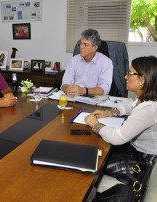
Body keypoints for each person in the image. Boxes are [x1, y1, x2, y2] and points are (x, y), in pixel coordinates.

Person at [85, 56, 157, 199]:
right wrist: (109, 112)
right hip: (135, 151)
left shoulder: (149, 108)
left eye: (130, 74)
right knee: (96, 153)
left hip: (143, 161)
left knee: (94, 160)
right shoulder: (146, 98)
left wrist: (96, 125)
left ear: (142, 80)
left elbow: (118, 138)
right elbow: (129, 106)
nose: (125, 76)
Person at [61, 29, 113, 98]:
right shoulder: (73, 60)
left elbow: (104, 89)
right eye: (81, 44)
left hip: (94, 100)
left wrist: (83, 90)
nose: (81, 47)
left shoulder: (106, 62)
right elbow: (65, 83)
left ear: (94, 48)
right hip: (74, 98)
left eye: (85, 44)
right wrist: (68, 90)